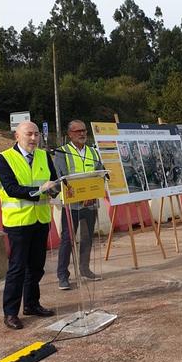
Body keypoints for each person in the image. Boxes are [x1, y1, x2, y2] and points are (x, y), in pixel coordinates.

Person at [0, 121, 59, 330]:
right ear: (17, 136)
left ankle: (31, 304)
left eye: (36, 134)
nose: (33, 138)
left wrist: (54, 189)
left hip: (41, 219)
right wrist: (41, 189)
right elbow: (12, 189)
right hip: (19, 222)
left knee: (36, 267)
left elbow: (55, 181)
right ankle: (10, 313)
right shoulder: (4, 158)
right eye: (28, 134)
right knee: (17, 269)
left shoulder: (43, 156)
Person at [55, 120, 103, 289]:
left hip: (90, 204)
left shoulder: (93, 152)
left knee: (87, 238)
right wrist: (81, 195)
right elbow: (63, 177)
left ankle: (85, 268)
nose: (82, 134)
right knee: (67, 240)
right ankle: (63, 275)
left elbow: (100, 173)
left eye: (84, 131)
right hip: (71, 205)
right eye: (78, 131)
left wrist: (92, 193)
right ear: (70, 134)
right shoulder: (62, 152)